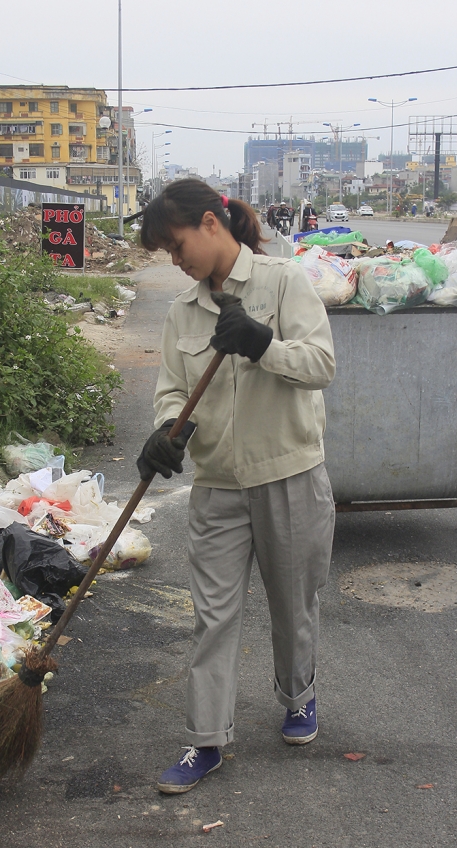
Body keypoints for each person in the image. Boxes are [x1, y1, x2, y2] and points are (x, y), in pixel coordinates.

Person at [138, 180, 336, 794]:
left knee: (292, 604)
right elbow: (173, 390)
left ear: (208, 223)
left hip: (290, 474)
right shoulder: (182, 313)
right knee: (213, 617)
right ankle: (205, 740)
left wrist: (261, 343)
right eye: (168, 254)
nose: (177, 261)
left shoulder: (284, 283)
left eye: (177, 245)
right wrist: (163, 432)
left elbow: (321, 364)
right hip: (218, 485)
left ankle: (298, 697)